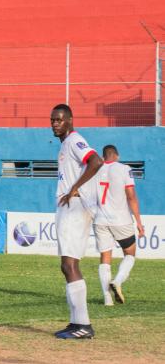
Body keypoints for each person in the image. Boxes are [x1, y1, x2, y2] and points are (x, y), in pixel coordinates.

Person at [50, 104, 104, 339]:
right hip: (70, 207)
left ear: (70, 120)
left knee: (69, 265)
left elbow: (96, 161)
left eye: (59, 120)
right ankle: (76, 322)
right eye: (52, 120)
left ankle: (83, 325)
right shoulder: (65, 144)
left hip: (75, 208)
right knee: (67, 265)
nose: (55, 123)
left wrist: (75, 188)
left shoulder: (74, 140)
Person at [94, 145, 143, 306]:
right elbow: (131, 196)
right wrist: (139, 222)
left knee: (105, 258)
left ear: (103, 156)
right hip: (121, 220)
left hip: (100, 219)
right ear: (116, 155)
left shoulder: (96, 169)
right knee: (130, 253)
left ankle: (107, 299)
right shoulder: (124, 169)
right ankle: (118, 281)